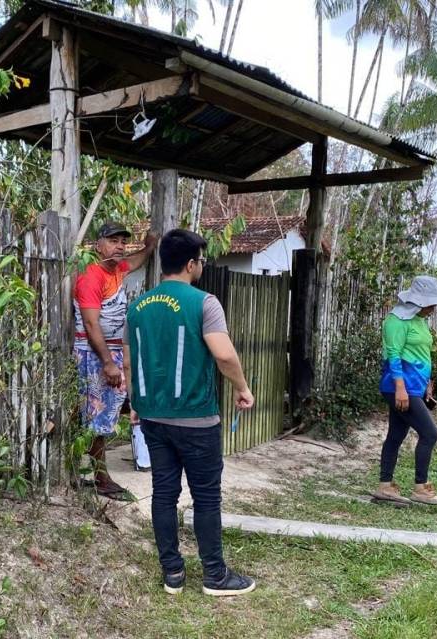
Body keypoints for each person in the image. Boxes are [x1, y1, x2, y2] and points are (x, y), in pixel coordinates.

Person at [123, 229, 256, 597]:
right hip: (196, 419)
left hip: (153, 417)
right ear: (190, 264)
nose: (202, 266)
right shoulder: (204, 302)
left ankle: (173, 574)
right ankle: (215, 575)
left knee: (163, 493)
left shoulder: (138, 307)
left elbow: (131, 364)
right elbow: (224, 354)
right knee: (206, 496)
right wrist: (242, 388)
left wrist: (136, 404)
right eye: (201, 260)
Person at [74, 221, 157, 500]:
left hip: (111, 351)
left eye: (122, 241)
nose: (119, 246)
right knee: (96, 416)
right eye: (113, 241)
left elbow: (134, 261)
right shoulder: (91, 276)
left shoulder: (116, 270)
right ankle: (100, 476)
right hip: (94, 353)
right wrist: (108, 362)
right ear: (98, 245)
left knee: (107, 414)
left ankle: (94, 471)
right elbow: (90, 322)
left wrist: (149, 247)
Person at [373, 275, 437, 506]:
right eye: (432, 303)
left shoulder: (419, 320)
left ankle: (385, 487)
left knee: (396, 435)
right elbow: (393, 356)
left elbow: (421, 354)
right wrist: (400, 388)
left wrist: (426, 383)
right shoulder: (396, 321)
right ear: (419, 300)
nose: (435, 308)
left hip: (414, 387)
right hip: (399, 386)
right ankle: (421, 489)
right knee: (430, 434)